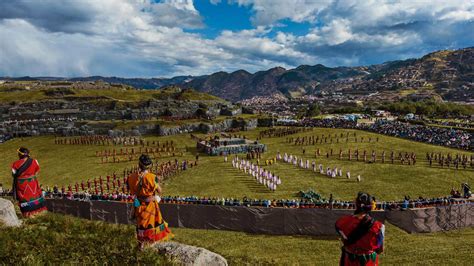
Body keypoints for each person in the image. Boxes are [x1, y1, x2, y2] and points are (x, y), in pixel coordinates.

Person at [127, 154, 173, 249]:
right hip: (150, 206)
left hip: (138, 204)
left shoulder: (131, 177)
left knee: (140, 226)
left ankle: (141, 245)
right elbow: (160, 191)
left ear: (139, 164)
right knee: (151, 226)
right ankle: (150, 247)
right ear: (149, 165)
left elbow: (131, 190)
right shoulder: (152, 177)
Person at [335, 192, 384, 266]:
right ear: (371, 206)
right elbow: (380, 250)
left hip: (349, 261)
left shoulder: (341, 222)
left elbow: (344, 239)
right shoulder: (379, 227)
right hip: (369, 262)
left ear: (356, 204)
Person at [11, 147, 47, 217]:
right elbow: (36, 171)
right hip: (32, 182)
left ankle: (27, 214)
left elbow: (14, 174)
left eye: (18, 153)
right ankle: (38, 212)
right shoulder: (34, 161)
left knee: (24, 198)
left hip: (21, 184)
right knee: (35, 195)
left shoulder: (15, 164)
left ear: (20, 154)